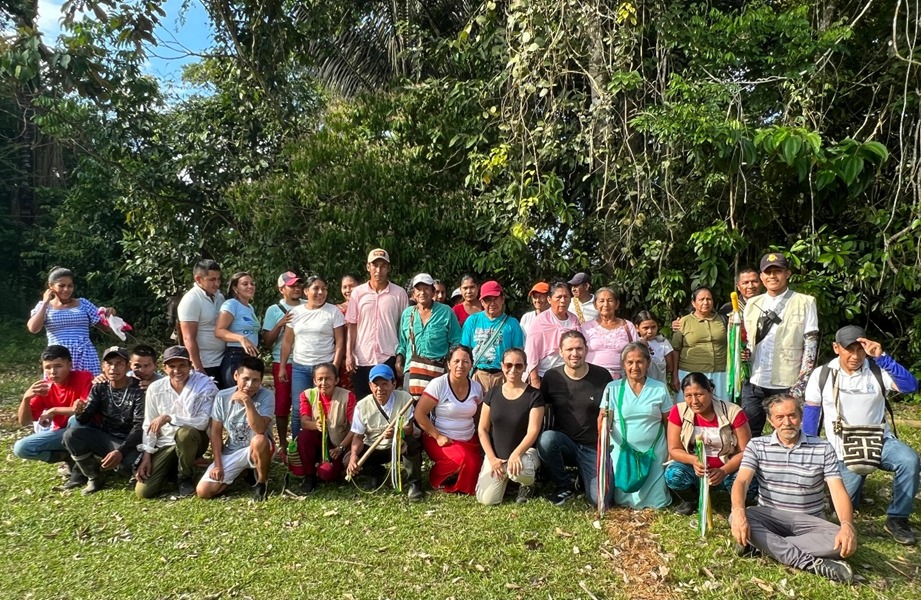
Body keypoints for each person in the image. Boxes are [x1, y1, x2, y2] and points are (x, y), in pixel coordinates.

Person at [804, 325, 920, 545]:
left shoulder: (877, 370)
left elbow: (910, 386)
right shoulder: (822, 375)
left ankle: (897, 518)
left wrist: (882, 357)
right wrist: (810, 453)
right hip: (842, 449)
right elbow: (811, 417)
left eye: (860, 349)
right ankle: (849, 492)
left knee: (909, 460)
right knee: (842, 511)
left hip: (879, 441)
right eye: (850, 349)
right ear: (836, 348)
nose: (856, 356)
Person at [731, 395, 857, 584]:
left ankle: (761, 545)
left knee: (842, 542)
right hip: (770, 517)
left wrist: (847, 525)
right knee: (737, 516)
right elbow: (741, 482)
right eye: (780, 417)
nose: (787, 422)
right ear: (770, 420)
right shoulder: (757, 445)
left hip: (810, 520)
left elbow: (837, 491)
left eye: (792, 416)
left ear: (801, 416)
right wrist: (739, 512)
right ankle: (808, 563)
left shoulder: (822, 447)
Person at [743, 252, 819, 435]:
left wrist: (801, 384)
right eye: (767, 272)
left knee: (789, 433)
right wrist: (743, 353)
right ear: (761, 276)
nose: (772, 276)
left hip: (788, 381)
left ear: (788, 274)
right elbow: (748, 341)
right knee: (749, 434)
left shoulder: (805, 302)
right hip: (755, 380)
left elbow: (811, 344)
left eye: (777, 271)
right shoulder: (752, 303)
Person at [537, 331, 612, 505]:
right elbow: (544, 410)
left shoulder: (602, 376)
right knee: (546, 439)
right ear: (561, 352)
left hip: (593, 447)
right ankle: (564, 485)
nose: (574, 353)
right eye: (569, 349)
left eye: (579, 348)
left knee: (600, 500)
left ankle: (583, 477)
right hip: (565, 443)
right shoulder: (551, 377)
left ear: (586, 350)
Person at [135, 346, 218, 499]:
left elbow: (202, 422)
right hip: (166, 443)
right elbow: (149, 424)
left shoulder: (204, 386)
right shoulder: (156, 388)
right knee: (144, 492)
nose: (177, 370)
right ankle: (172, 470)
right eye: (172, 366)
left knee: (184, 433)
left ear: (190, 366)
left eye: (182, 365)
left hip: (194, 439)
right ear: (164, 368)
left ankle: (184, 477)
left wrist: (170, 418)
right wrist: (146, 457)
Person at [665, 372, 752, 514]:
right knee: (674, 474)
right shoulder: (679, 411)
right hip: (695, 471)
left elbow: (746, 451)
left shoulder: (732, 412)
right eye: (688, 396)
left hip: (726, 469)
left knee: (749, 482)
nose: (694, 401)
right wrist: (694, 461)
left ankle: (736, 502)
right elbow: (673, 449)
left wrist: (724, 470)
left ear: (711, 391)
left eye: (699, 394)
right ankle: (691, 499)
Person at [63, 347, 144, 494]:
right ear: (103, 367)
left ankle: (120, 466)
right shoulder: (100, 387)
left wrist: (120, 451)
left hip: (132, 442)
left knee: (130, 465)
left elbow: (140, 426)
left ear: (127, 366)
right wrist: (79, 410)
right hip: (106, 438)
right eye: (109, 363)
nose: (113, 368)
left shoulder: (139, 389)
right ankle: (93, 476)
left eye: (119, 363)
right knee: (71, 435)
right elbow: (84, 419)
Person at [601, 342, 673, 509]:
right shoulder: (612, 388)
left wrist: (671, 450)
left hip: (654, 452)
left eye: (640, 362)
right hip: (623, 453)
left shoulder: (659, 388)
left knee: (659, 503)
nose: (635, 367)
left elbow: (669, 422)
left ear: (648, 363)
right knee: (621, 499)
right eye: (630, 362)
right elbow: (604, 422)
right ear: (623, 365)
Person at [197, 356, 275, 501]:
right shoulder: (222, 396)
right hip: (232, 450)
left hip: (257, 447)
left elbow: (260, 429)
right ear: (236, 376)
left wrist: (247, 401)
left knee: (259, 440)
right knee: (204, 491)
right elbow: (215, 432)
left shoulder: (267, 396)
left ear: (261, 380)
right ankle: (245, 472)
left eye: (256, 380)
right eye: (246, 378)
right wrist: (218, 464)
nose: (250, 384)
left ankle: (261, 483)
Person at [14, 345, 93, 484]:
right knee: (21, 448)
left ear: (70, 365)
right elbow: (24, 422)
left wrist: (53, 410)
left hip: (87, 431)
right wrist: (26, 399)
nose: (53, 372)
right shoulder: (45, 387)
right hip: (62, 434)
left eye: (58, 366)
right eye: (48, 367)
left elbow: (82, 410)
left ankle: (80, 471)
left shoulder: (83, 377)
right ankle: (68, 457)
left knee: (75, 420)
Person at [279, 275, 346, 439]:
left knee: (326, 409)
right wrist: (282, 366)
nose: (320, 292)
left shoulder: (333, 312)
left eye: (324, 289)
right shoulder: (296, 313)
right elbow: (287, 342)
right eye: (316, 289)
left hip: (325, 368)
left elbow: (340, 342)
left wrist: (335, 367)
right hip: (300, 368)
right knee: (298, 410)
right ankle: (296, 448)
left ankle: (324, 447)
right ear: (306, 291)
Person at [347, 364, 425, 501]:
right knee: (349, 460)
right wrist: (354, 455)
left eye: (384, 384)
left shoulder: (404, 398)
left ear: (393, 384)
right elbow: (358, 437)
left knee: (412, 444)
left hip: (397, 445)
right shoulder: (362, 406)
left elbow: (410, 428)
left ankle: (414, 484)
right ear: (370, 386)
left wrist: (396, 431)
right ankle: (376, 473)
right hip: (374, 447)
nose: (379, 389)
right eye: (375, 385)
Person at [476, 348, 544, 505]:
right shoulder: (493, 393)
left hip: (524, 454)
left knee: (521, 470)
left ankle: (527, 484)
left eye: (518, 366)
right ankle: (507, 478)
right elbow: (483, 429)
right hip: (497, 457)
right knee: (487, 500)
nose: (513, 370)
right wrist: (492, 459)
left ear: (525, 367)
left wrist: (516, 454)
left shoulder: (534, 395)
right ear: (502, 366)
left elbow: (533, 431)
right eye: (508, 365)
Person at [415, 345, 484, 495]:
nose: (461, 365)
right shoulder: (438, 385)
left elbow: (479, 417)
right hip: (440, 438)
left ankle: (457, 477)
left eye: (465, 361)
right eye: (456, 361)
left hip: (468, 438)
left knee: (475, 466)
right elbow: (419, 414)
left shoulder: (477, 388)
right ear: (448, 364)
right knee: (462, 461)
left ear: (471, 364)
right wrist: (438, 436)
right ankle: (436, 480)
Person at [345, 248, 409, 402]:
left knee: (388, 401)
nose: (378, 270)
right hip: (362, 357)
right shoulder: (358, 293)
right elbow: (352, 325)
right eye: (375, 265)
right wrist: (348, 354)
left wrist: (401, 358)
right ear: (368, 267)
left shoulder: (399, 294)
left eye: (383, 266)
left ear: (389, 268)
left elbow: (405, 328)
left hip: (388, 356)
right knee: (363, 402)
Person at [27, 267, 115, 375]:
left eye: (70, 286)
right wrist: (45, 302)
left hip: (85, 356)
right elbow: (33, 328)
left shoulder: (83, 304)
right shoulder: (44, 307)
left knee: (88, 389)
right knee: (59, 389)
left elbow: (106, 327)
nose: (66, 289)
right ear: (51, 286)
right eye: (61, 286)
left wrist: (110, 315)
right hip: (57, 358)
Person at [396, 273, 462, 398]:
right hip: (412, 372)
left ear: (433, 292)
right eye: (418, 289)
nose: (422, 292)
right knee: (410, 412)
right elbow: (402, 343)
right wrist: (399, 360)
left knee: (438, 412)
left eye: (426, 288)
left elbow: (456, 341)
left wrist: (450, 366)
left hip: (438, 372)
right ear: (413, 294)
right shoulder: (407, 314)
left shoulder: (446, 312)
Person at [295, 363, 357, 493]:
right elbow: (304, 422)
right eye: (320, 379)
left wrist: (341, 448)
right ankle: (309, 475)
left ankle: (331, 468)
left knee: (327, 475)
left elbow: (355, 428)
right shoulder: (307, 395)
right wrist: (315, 425)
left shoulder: (348, 396)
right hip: (316, 441)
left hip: (337, 445)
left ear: (337, 380)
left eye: (328, 378)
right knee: (304, 435)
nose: (324, 383)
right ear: (314, 380)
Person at [261, 271, 304, 449]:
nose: (296, 288)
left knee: (302, 403)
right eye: (291, 285)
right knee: (282, 404)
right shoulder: (273, 310)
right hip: (283, 361)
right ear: (281, 289)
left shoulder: (307, 305)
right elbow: (267, 342)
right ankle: (284, 445)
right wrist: (280, 324)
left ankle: (301, 440)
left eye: (298, 285)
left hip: (304, 360)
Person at [461, 281, 525, 393]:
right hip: (478, 375)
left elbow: (518, 353)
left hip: (503, 375)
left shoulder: (512, 324)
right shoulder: (472, 321)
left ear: (502, 299)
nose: (492, 303)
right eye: (487, 300)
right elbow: (464, 350)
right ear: (481, 302)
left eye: (495, 298)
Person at [671, 286, 728, 400]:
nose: (705, 302)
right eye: (701, 299)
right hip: (690, 373)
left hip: (719, 372)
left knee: (720, 408)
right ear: (693, 303)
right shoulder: (683, 322)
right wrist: (674, 376)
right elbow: (676, 350)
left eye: (709, 299)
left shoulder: (723, 320)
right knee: (691, 407)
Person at [177, 259, 226, 386]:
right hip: (205, 363)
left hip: (223, 360)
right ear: (198, 279)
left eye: (218, 279)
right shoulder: (191, 300)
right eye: (212, 279)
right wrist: (198, 369)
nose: (217, 284)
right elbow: (188, 338)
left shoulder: (219, 297)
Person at [525, 281, 581, 388]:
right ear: (549, 300)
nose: (563, 301)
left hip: (570, 374)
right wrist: (535, 380)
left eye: (566, 297)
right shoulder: (540, 321)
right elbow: (531, 352)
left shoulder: (574, 319)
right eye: (558, 297)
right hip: (545, 374)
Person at [215, 271, 261, 390]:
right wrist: (241, 338)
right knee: (236, 396)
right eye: (245, 284)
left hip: (251, 357)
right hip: (236, 356)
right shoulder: (231, 304)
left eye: (252, 284)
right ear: (235, 288)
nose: (250, 286)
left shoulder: (250, 307)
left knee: (249, 396)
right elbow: (219, 331)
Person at [583, 287, 638, 379]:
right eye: (601, 301)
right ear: (595, 305)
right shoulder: (586, 327)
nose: (606, 304)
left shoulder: (628, 326)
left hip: (622, 377)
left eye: (610, 301)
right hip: (592, 378)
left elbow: (637, 351)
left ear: (617, 304)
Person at [633, 311, 676, 384]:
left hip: (659, 385)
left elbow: (670, 368)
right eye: (645, 328)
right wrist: (643, 347)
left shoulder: (663, 342)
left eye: (653, 327)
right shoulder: (634, 344)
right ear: (637, 328)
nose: (650, 331)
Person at [336, 274, 359, 390]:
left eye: (351, 286)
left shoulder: (366, 307)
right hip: (342, 359)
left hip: (363, 357)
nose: (347, 290)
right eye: (344, 287)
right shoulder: (336, 310)